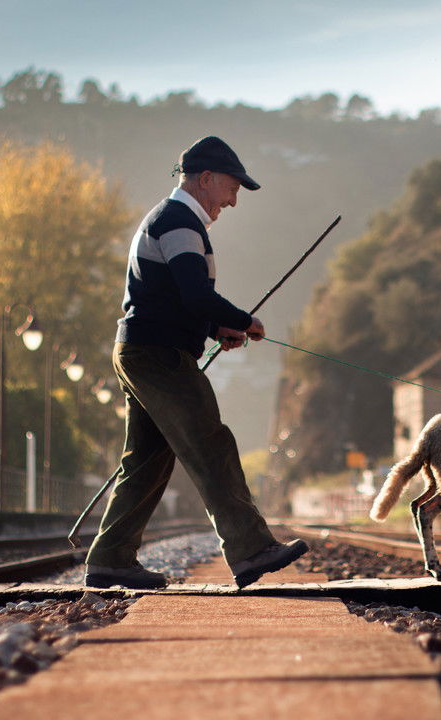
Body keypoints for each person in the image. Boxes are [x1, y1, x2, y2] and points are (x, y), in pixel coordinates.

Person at [84, 136, 309, 589]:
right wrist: (243, 321)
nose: (233, 200)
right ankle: (251, 549)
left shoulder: (171, 219)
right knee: (212, 444)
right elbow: (195, 295)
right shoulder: (178, 221)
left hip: (142, 348)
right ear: (205, 178)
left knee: (146, 461)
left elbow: (173, 297)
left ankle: (110, 560)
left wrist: (215, 328)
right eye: (232, 188)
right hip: (159, 354)